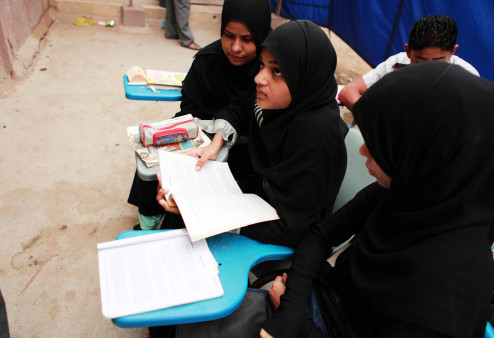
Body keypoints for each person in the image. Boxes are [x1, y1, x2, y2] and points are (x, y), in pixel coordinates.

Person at [261, 62, 494, 337]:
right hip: (321, 305)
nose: (362, 150)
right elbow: (321, 236)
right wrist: (291, 310)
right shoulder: (404, 192)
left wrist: (296, 325)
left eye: (384, 142)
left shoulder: (450, 296)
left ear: (425, 151)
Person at [157, 20, 348, 248]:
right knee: (182, 199)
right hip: (261, 194)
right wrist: (216, 142)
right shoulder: (279, 104)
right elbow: (241, 108)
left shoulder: (318, 140)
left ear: (304, 77)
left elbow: (297, 228)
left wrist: (217, 219)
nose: (259, 78)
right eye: (262, 65)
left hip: (286, 227)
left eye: (277, 70)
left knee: (188, 222)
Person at [128, 0, 272, 230]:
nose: (235, 47)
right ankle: (150, 212)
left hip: (248, 151)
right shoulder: (209, 60)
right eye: (228, 35)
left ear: (262, 35)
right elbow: (189, 112)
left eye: (247, 39)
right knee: (158, 154)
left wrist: (221, 130)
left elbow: (253, 109)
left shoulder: (270, 67)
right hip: (202, 135)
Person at [338, 15, 480, 110]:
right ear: (408, 51)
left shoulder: (468, 78)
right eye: (419, 62)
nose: (428, 71)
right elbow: (348, 91)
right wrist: (369, 118)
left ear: (452, 52)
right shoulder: (398, 63)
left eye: (438, 63)